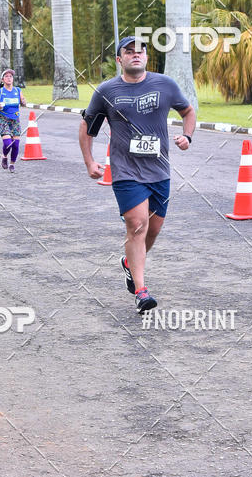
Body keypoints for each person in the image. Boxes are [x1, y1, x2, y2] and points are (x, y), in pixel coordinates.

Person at [79, 36, 196, 314]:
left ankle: (130, 263)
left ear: (146, 58)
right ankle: (142, 293)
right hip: (126, 171)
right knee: (137, 225)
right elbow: (87, 127)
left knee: (152, 231)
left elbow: (188, 111)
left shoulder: (165, 85)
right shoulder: (107, 90)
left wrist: (187, 136)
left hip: (159, 170)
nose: (135, 55)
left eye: (140, 51)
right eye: (128, 51)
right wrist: (90, 162)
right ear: (119, 59)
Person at [0, 69, 27, 173]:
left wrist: (24, 101)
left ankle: (12, 164)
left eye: (11, 76)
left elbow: (23, 103)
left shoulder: (17, 90)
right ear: (3, 79)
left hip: (15, 120)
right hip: (3, 119)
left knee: (16, 144)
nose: (9, 78)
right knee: (8, 143)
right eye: (7, 76)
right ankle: (4, 156)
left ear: (13, 79)